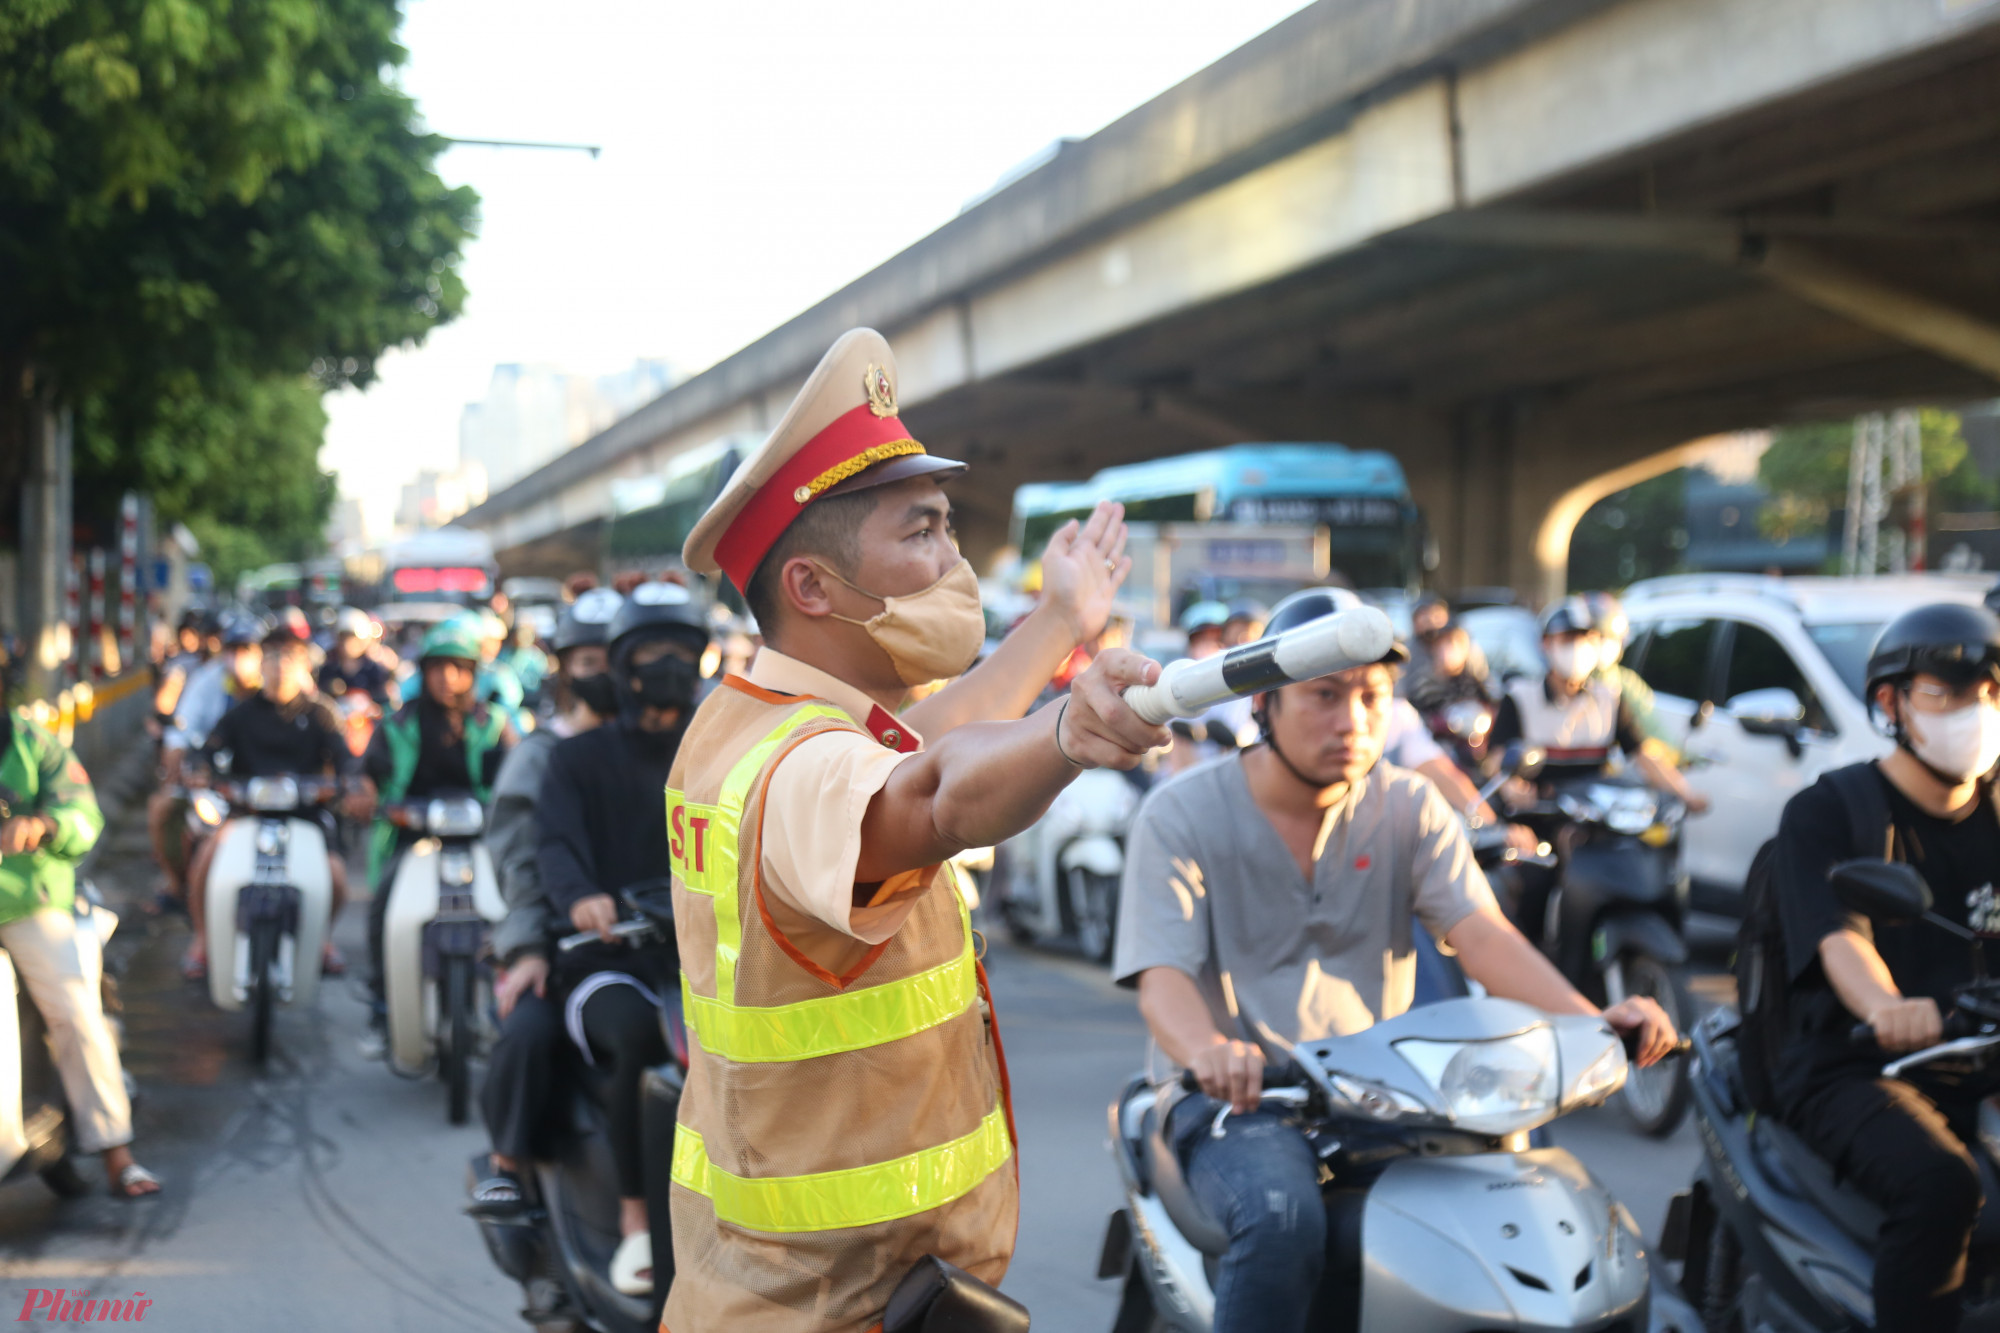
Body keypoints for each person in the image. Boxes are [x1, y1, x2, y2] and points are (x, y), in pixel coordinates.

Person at [664, 327, 1157, 1332]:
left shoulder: (757, 711)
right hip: (831, 1307)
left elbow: (926, 738)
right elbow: (930, 795)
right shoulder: (800, 770)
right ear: (812, 588)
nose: (951, 561)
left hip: (802, 1291)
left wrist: (1058, 624)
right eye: (921, 532)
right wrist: (1066, 732)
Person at [1112, 587, 1677, 1333]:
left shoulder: (1409, 804)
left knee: (1530, 1212)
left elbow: (1482, 933)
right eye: (1324, 694)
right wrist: (1214, 1052)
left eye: (1373, 696)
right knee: (1282, 1221)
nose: (1352, 720)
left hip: (1387, 1096)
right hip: (1239, 1104)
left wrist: (1595, 1019)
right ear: (1262, 708)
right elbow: (1164, 979)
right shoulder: (1181, 812)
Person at [1768, 603, 2000, 1333]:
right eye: (1949, 693)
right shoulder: (1831, 810)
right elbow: (1841, 938)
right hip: (1857, 1062)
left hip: (1982, 1055)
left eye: (1992, 692)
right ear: (1890, 703)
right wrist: (1886, 1006)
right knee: (1941, 1185)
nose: (1977, 710)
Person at [526, 584, 711, 1294]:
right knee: (641, 1038)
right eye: (653, 652)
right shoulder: (576, 761)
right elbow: (554, 847)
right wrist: (582, 900)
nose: (669, 665)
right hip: (609, 962)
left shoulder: (718, 751)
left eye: (682, 652)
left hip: (705, 961)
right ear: (624, 667)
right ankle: (638, 1222)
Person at [471, 588, 622, 1222]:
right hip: (563, 943)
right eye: (587, 662)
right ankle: (507, 1162)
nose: (604, 675)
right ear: (564, 670)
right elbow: (521, 864)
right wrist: (529, 948)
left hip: (660, 943)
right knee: (529, 1030)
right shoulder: (540, 755)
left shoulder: (671, 748)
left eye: (614, 659)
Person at [0, 707, 159, 1196]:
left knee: (74, 1011)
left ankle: (117, 1153)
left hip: (28, 900)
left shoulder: (34, 744)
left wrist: (44, 824)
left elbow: (82, 814)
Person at [351, 620, 514, 1057]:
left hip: (481, 841)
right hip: (412, 838)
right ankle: (383, 1011)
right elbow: (367, 777)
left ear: (473, 673)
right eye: (439, 667)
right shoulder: (396, 724)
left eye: (459, 668)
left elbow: (519, 776)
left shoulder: (496, 723)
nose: (449, 678)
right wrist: (364, 797)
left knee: (515, 906)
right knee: (383, 910)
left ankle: (508, 1009)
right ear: (424, 671)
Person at [183, 617, 356, 980]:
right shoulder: (240, 714)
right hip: (247, 811)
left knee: (337, 877)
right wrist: (198, 768)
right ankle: (202, 940)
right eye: (273, 656)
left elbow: (346, 761)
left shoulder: (322, 713)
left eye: (289, 656)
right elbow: (208, 750)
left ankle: (320, 937)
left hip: (306, 814)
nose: (280, 665)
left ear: (305, 664)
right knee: (206, 858)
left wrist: (351, 782)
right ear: (261, 663)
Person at [1488, 597, 1708, 810]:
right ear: (1546, 643)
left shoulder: (1609, 698)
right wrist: (1510, 787)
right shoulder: (1520, 696)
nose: (1577, 648)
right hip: (1539, 814)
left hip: (1593, 815)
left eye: (1586, 639)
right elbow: (1495, 759)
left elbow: (1644, 754)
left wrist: (1685, 794)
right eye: (1568, 639)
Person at [148, 612, 261, 919]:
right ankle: (177, 887)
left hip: (267, 790)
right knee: (164, 808)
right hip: (218, 782)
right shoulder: (209, 682)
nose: (241, 659)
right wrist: (179, 765)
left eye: (249, 651)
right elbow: (182, 732)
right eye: (235, 650)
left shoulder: (277, 690)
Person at [318, 607, 394, 705]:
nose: (347, 644)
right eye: (343, 638)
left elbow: (385, 703)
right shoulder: (328, 670)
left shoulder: (374, 671)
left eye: (352, 638)